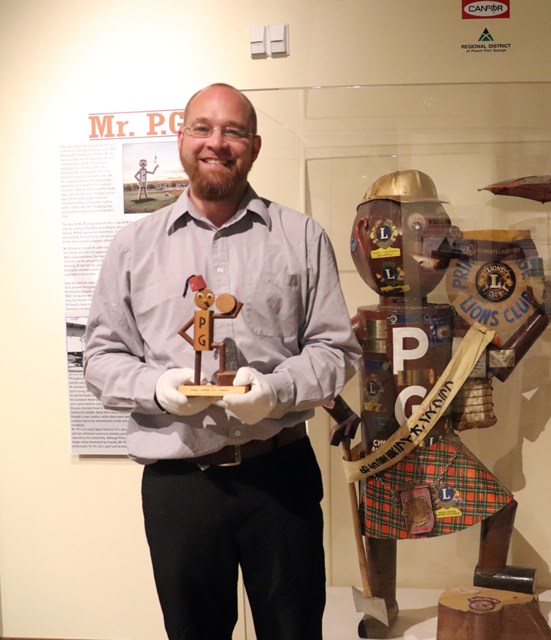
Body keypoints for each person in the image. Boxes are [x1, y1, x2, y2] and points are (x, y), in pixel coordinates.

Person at [83, 82, 361, 640]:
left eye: (233, 131)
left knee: (293, 630)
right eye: (203, 129)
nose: (218, 143)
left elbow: (337, 348)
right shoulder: (134, 246)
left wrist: (277, 391)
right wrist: (156, 387)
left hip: (279, 476)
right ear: (181, 139)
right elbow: (101, 357)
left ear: (254, 146)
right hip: (180, 483)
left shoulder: (301, 237)